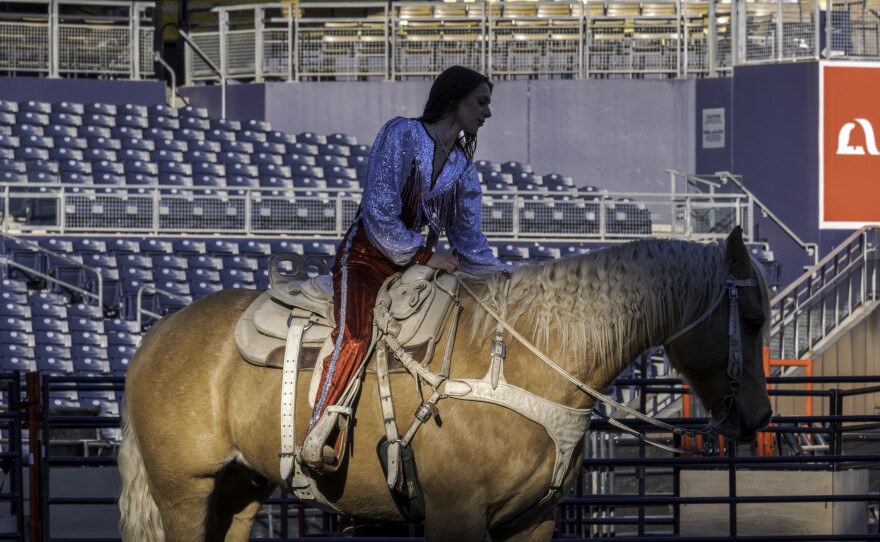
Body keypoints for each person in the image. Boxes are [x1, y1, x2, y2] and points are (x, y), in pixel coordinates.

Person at [309, 65, 512, 440]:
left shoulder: (463, 169)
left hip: (413, 270)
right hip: (366, 259)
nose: (488, 112)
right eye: (481, 102)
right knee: (355, 334)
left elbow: (468, 242)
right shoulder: (402, 133)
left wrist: (504, 275)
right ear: (454, 99)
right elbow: (379, 212)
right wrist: (423, 256)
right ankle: (319, 429)